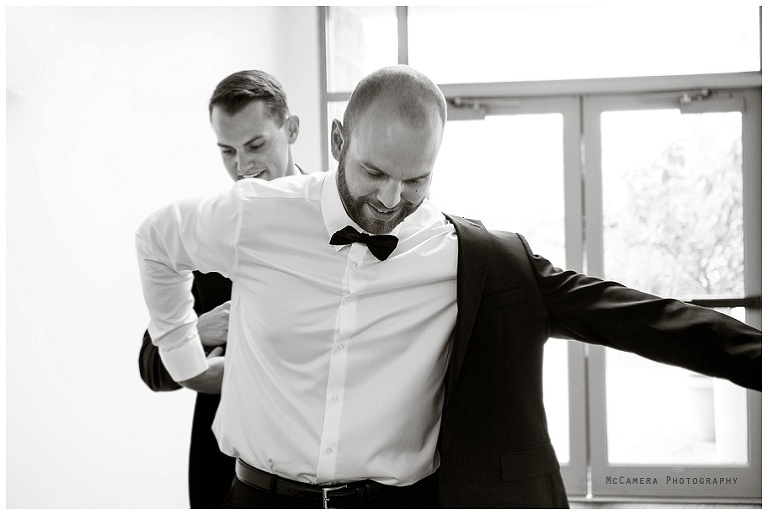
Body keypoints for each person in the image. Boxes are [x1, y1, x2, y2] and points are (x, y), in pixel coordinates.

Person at [135, 65, 761, 508]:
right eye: (374, 172)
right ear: (338, 141)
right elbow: (156, 241)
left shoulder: (469, 256)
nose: (390, 200)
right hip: (257, 498)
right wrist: (187, 361)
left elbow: (629, 314)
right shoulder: (254, 213)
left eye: (415, 180)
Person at [137, 69, 303, 508]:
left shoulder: (335, 227)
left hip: (315, 478)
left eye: (255, 145)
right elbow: (150, 364)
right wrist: (197, 330)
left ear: (291, 129)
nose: (242, 167)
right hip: (224, 481)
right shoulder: (209, 232)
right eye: (228, 151)